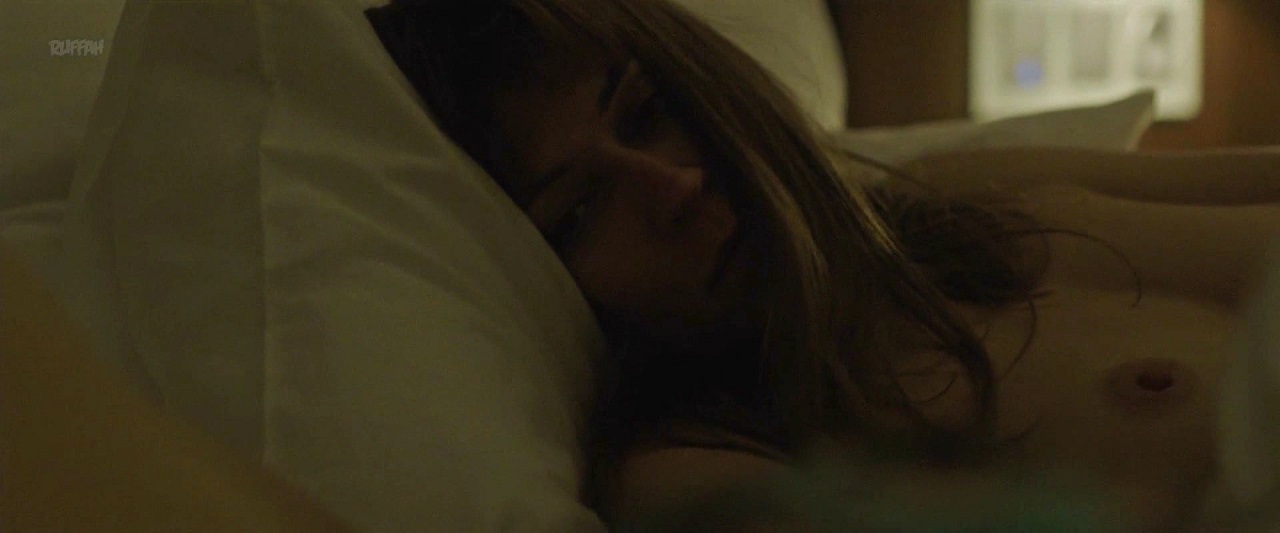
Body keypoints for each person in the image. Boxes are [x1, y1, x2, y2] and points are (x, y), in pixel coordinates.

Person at [365, 0, 1280, 529]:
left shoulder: (966, 199)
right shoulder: (696, 466)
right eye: (579, 210)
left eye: (645, 114)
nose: (668, 187)